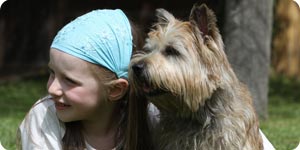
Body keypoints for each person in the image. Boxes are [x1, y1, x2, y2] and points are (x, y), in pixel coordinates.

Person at [18, 9, 154, 150]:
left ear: (115, 90)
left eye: (70, 81)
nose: (52, 89)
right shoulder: (44, 117)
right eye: (52, 73)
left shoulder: (150, 119)